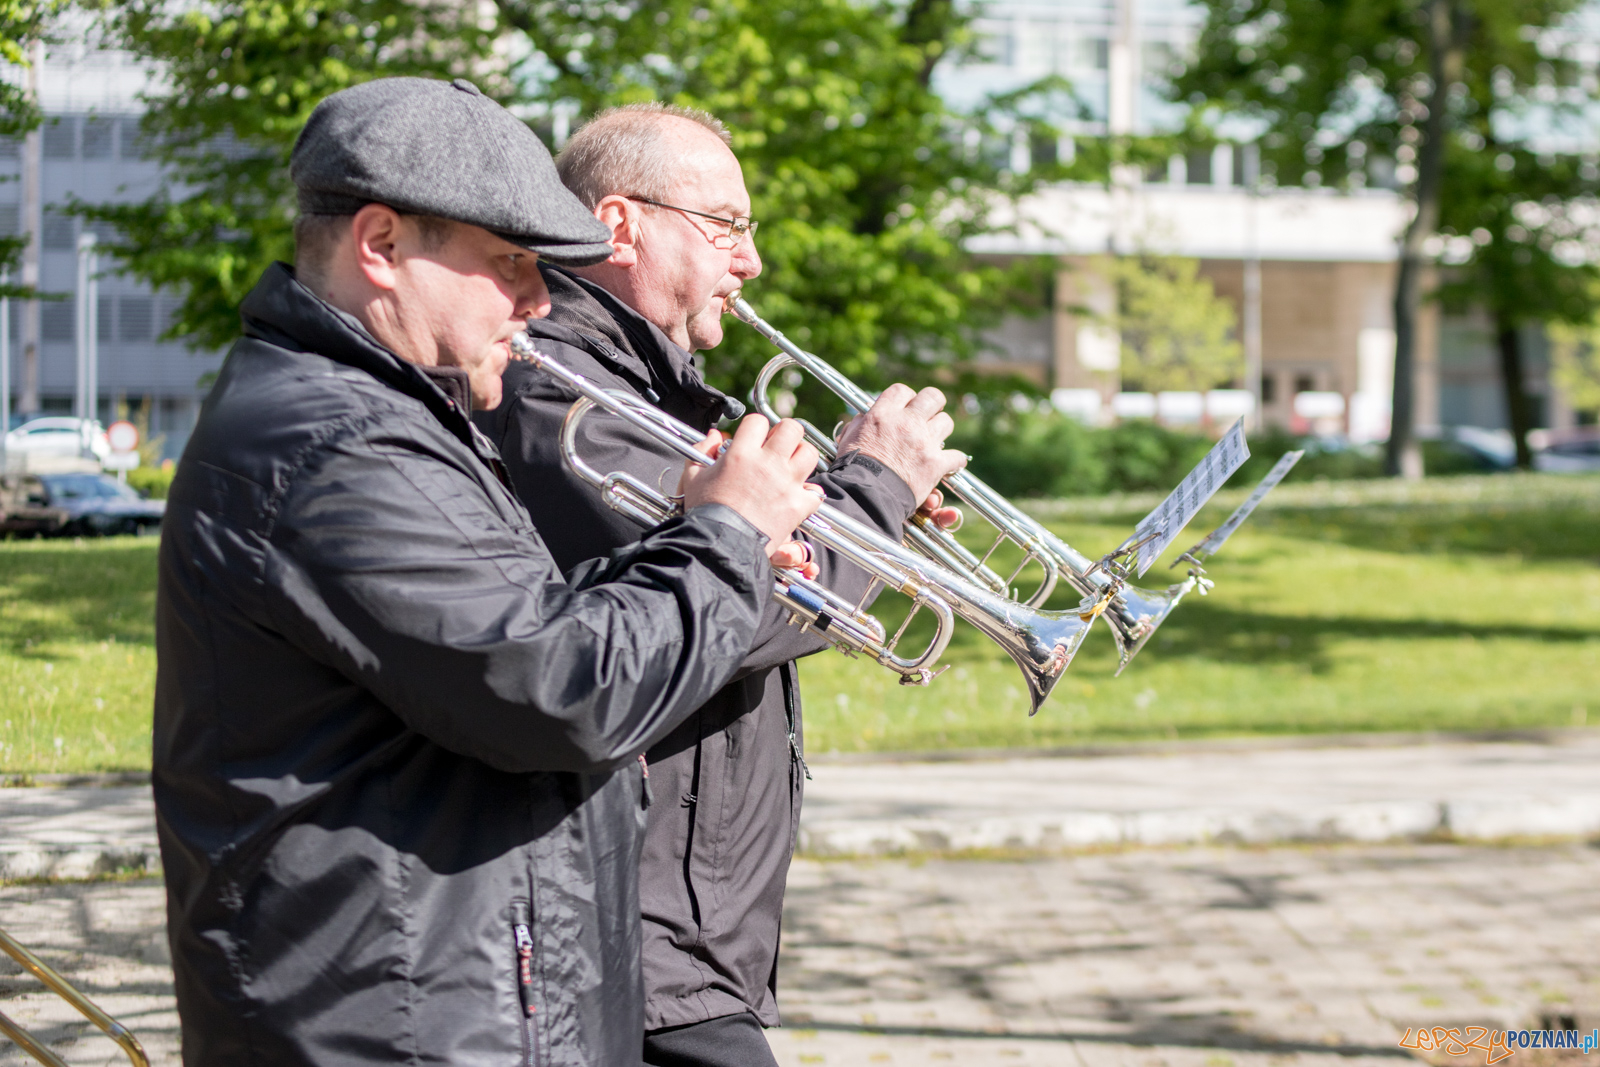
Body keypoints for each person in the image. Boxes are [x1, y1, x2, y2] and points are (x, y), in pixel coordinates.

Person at [153, 77, 829, 1067]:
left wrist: (695, 543)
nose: (539, 298)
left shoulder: (391, 420)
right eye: (510, 261)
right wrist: (726, 535)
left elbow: (518, 628)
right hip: (399, 1027)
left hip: (446, 1005)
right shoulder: (338, 448)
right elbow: (561, 688)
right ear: (381, 246)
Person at [476, 102, 967, 1067]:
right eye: (726, 226)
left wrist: (858, 504)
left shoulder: (648, 390)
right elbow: (740, 605)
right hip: (636, 928)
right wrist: (872, 490)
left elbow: (744, 561)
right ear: (621, 225)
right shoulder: (566, 398)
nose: (752, 261)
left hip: (681, 925)